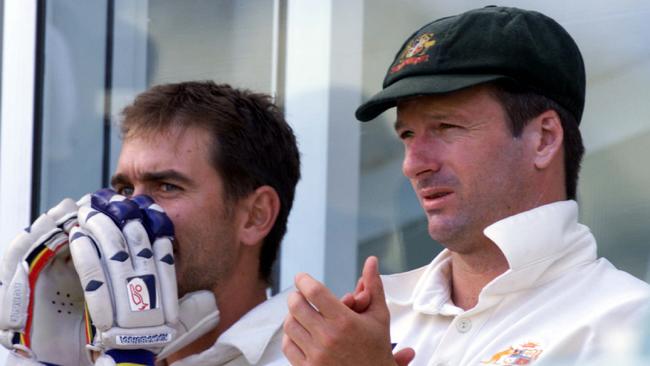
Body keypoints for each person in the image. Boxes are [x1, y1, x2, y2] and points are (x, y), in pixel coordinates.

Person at [282, 6, 650, 365]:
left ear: (544, 138)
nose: (413, 164)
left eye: (446, 127)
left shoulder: (628, 322)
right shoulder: (363, 327)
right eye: (407, 135)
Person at [0, 81, 300, 365]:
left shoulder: (312, 357)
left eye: (167, 186)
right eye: (125, 189)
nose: (129, 210)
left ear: (255, 215)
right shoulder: (97, 352)